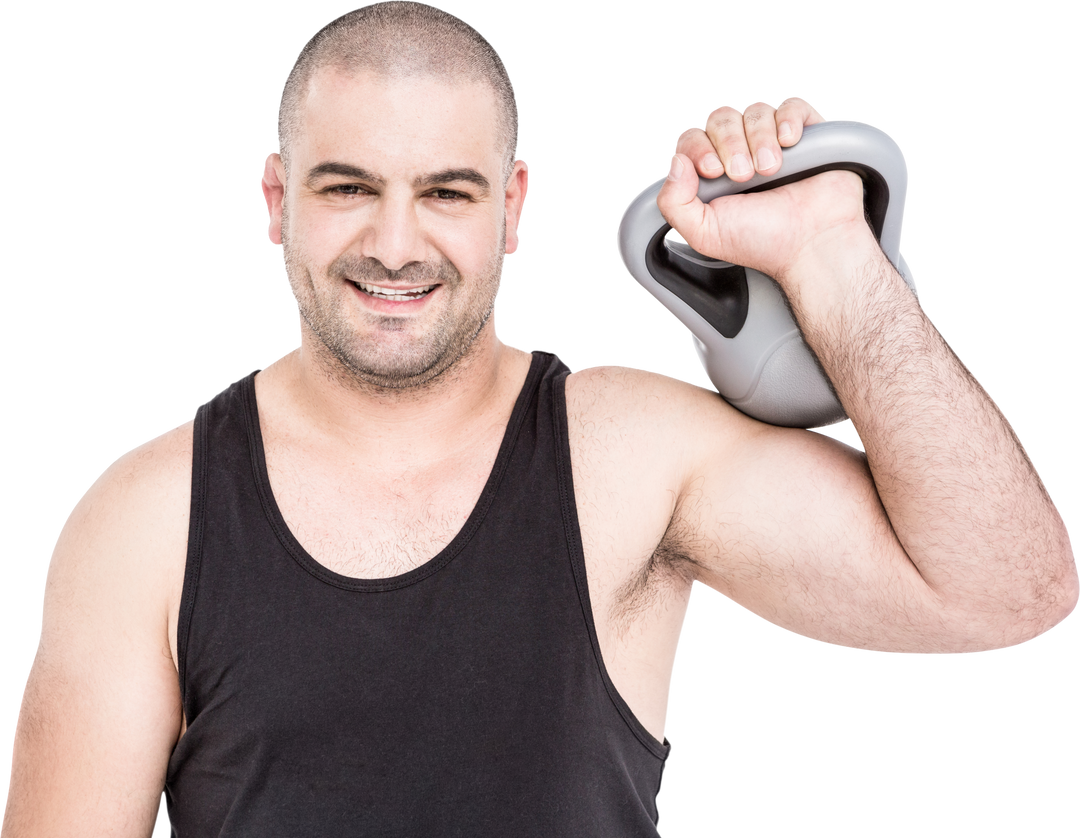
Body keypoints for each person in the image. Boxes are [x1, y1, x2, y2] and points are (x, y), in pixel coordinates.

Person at [3, 1, 1076, 835]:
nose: (395, 242)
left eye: (447, 193)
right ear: (277, 200)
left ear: (513, 209)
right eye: (346, 188)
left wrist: (831, 256)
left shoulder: (629, 455)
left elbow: (1006, 589)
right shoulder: (144, 519)